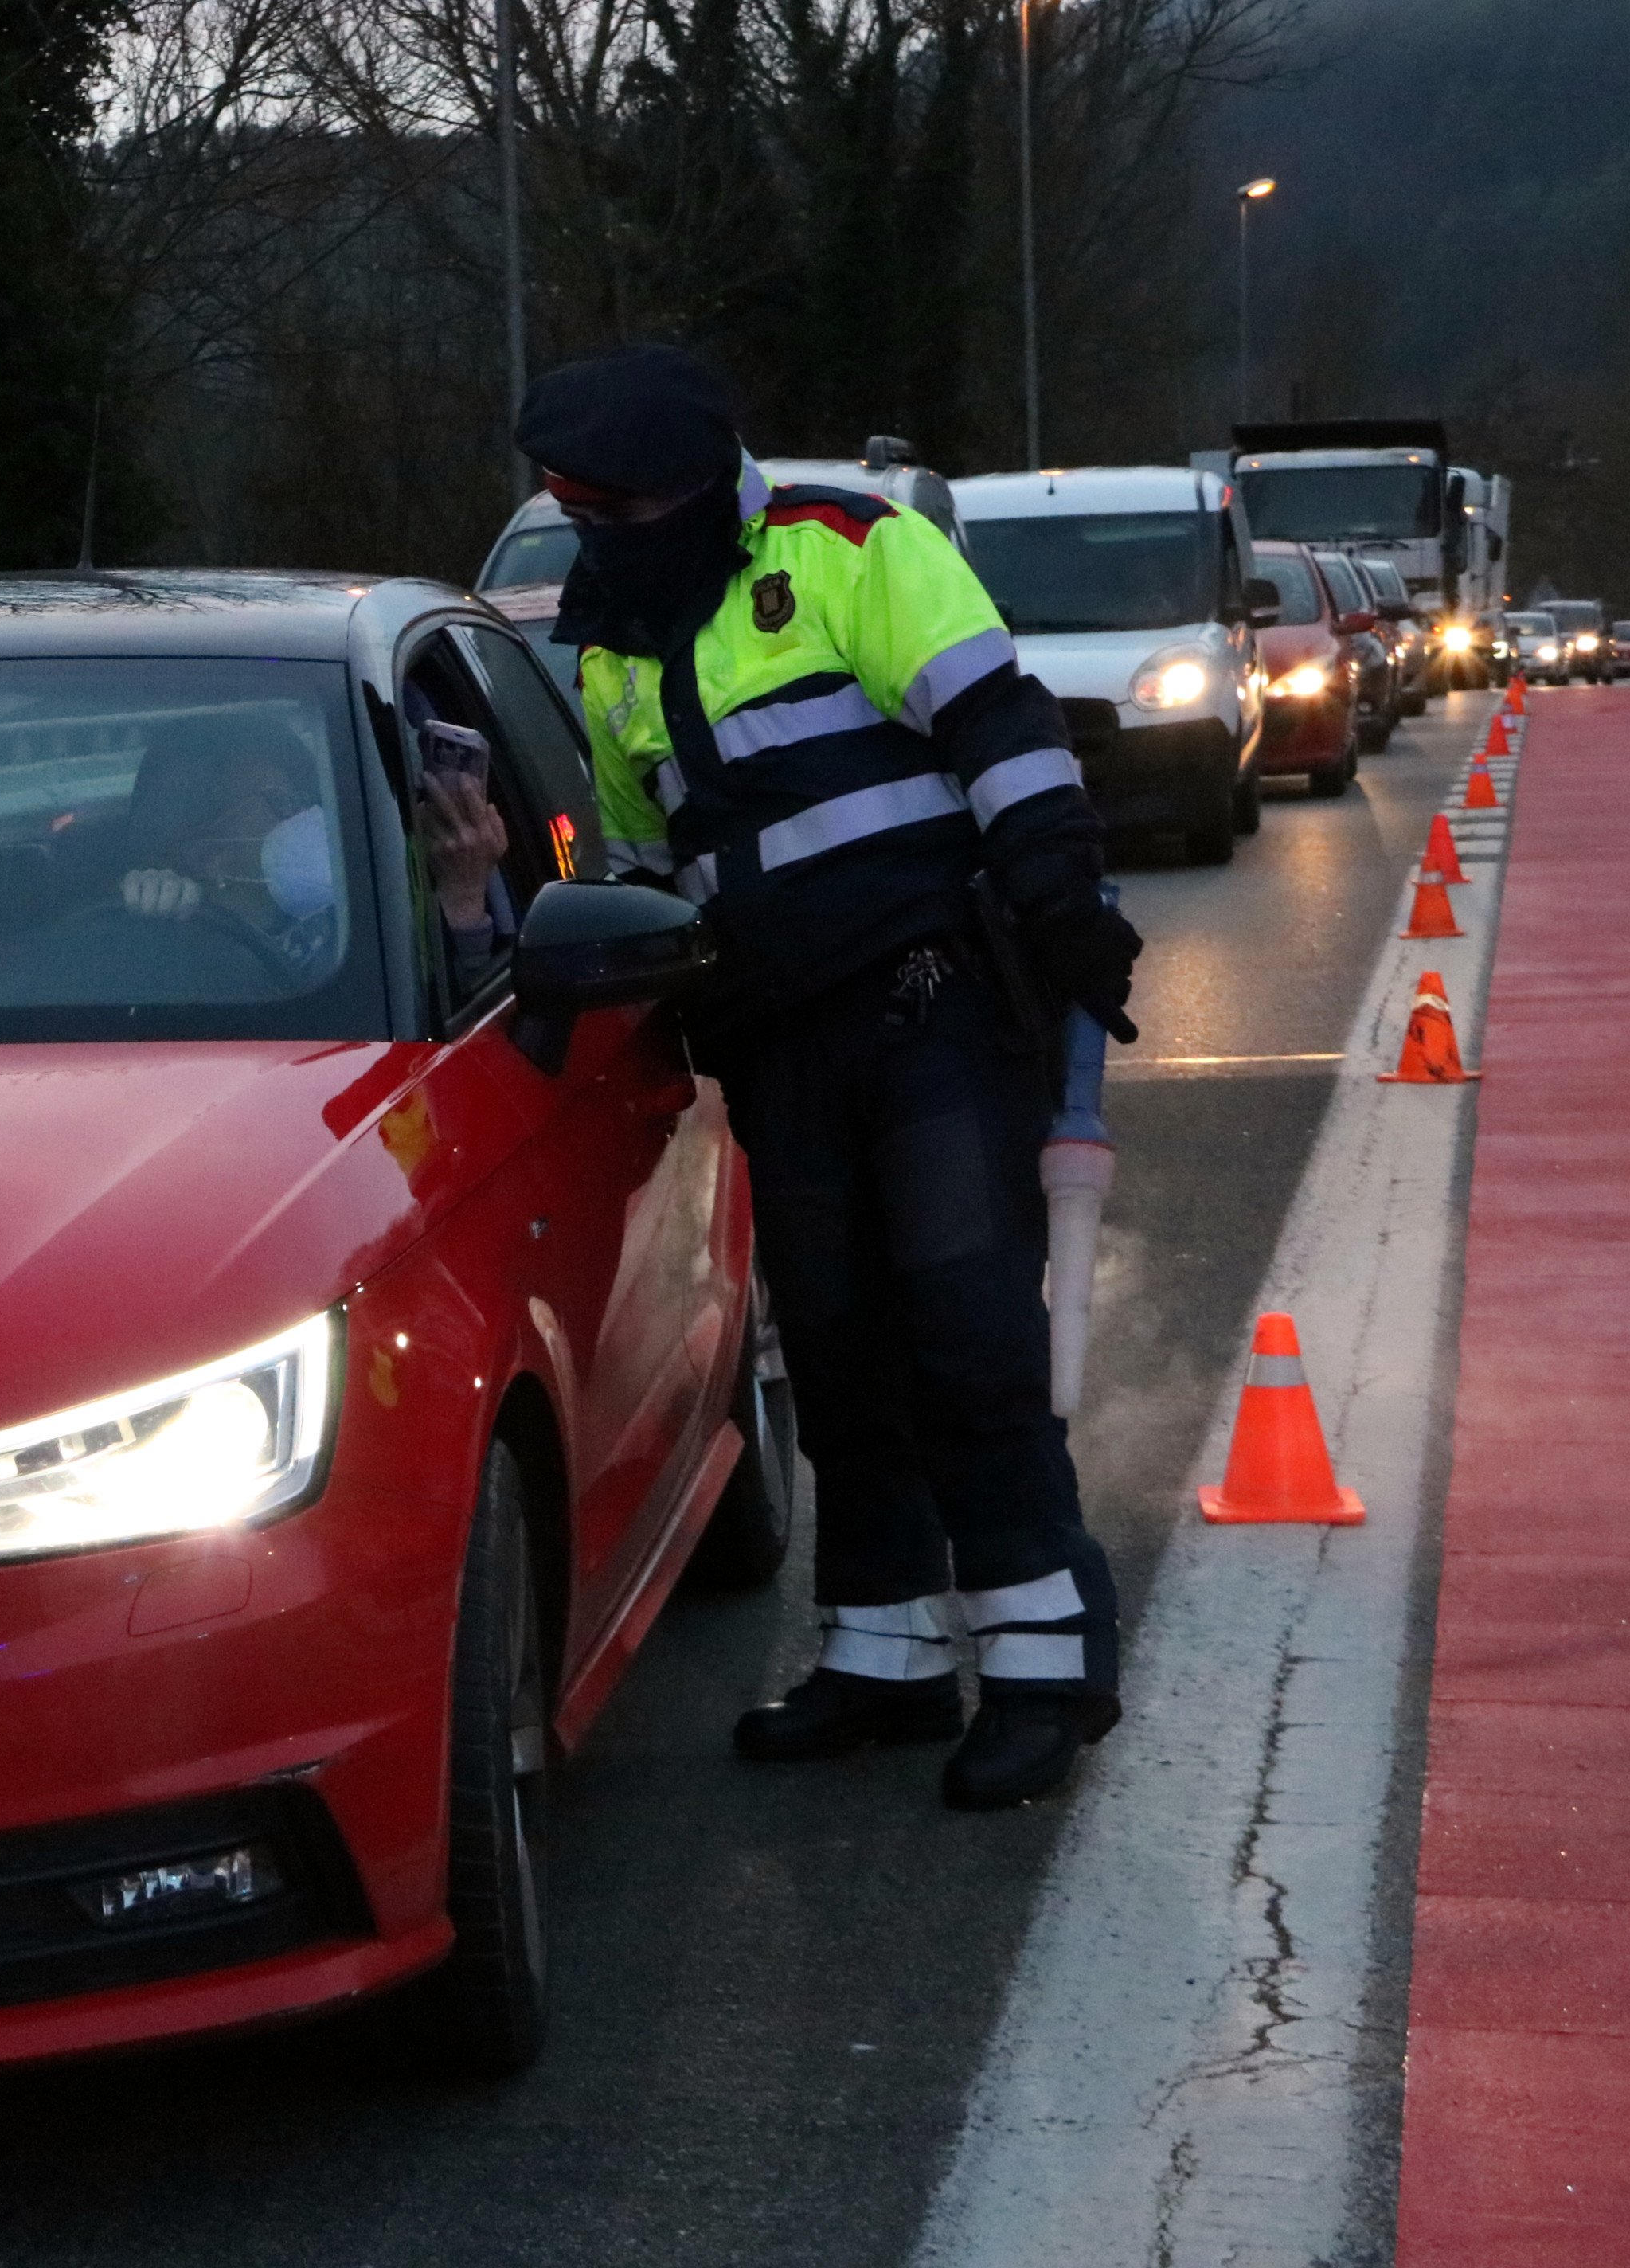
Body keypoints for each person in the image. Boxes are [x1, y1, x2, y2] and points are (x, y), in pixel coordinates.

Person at [514, 342, 1144, 1809]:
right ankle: (887, 1653)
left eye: (614, 510)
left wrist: (1062, 901)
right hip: (779, 1036)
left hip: (928, 1004)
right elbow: (645, 857)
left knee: (967, 1329)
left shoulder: (852, 549)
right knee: (841, 1353)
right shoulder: (612, 639)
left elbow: (998, 726)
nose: (599, 538)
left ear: (686, 486)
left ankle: (1045, 1667)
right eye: (577, 514)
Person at [117, 729, 508, 992]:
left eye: (307, 799)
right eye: (282, 804)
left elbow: (445, 1010)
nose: (310, 818)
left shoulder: (366, 912)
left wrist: (461, 892)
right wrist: (148, 918)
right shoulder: (177, 953)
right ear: (210, 856)